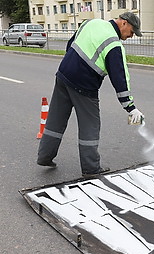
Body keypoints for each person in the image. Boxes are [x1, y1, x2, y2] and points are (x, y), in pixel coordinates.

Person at [37, 12, 144, 177]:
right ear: (123, 23)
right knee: (90, 127)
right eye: (131, 32)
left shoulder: (91, 23)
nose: (130, 36)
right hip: (84, 86)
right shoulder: (114, 45)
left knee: (55, 120)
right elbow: (120, 79)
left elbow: (71, 44)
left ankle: (44, 157)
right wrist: (131, 108)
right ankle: (91, 169)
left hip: (63, 75)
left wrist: (71, 64)